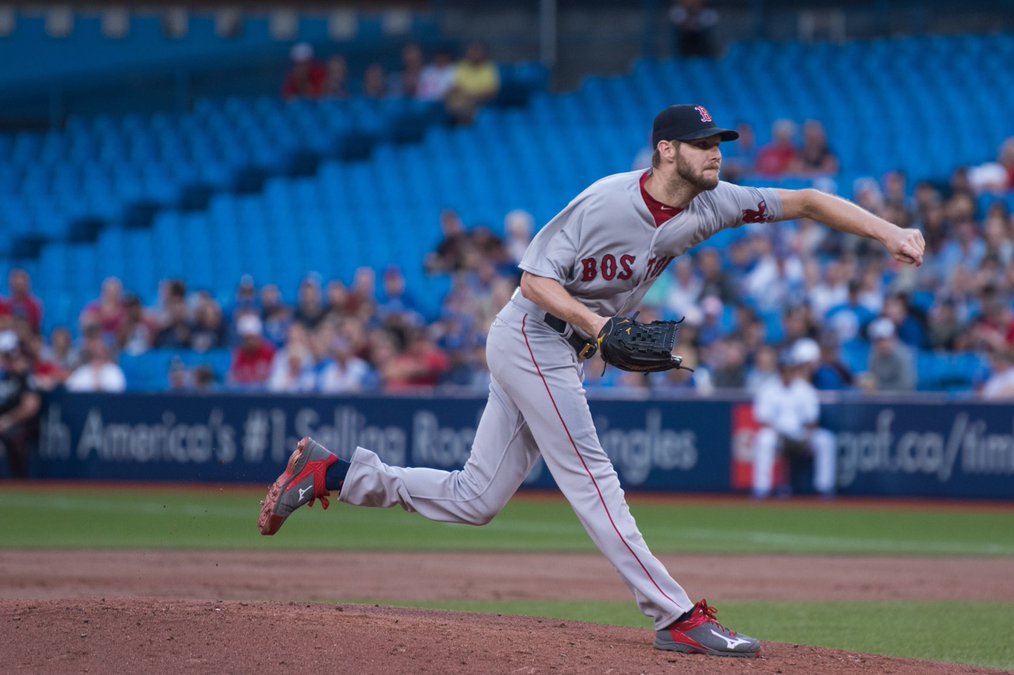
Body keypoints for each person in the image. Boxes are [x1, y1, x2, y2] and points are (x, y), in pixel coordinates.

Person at [257, 104, 924, 658]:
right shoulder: (606, 202)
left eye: (718, 142)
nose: (715, 153)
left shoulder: (715, 204)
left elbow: (805, 200)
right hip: (530, 334)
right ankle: (676, 614)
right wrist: (596, 325)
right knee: (592, 475)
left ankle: (333, 474)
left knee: (475, 497)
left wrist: (890, 230)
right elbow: (532, 279)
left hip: (564, 348)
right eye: (701, 144)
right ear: (666, 151)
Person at [750, 339, 836, 499]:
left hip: (801, 434)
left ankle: (824, 488)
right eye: (784, 369)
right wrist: (779, 434)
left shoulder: (805, 389)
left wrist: (806, 437)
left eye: (790, 369)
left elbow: (812, 420)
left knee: (826, 440)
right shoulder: (768, 388)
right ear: (780, 370)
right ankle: (761, 489)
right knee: (764, 439)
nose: (787, 373)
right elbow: (762, 419)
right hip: (777, 435)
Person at [0, 332, 41, 479]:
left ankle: (20, 479)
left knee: (12, 436)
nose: (7, 361)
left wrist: (7, 420)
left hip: (20, 424)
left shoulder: (25, 377)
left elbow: (30, 406)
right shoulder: (4, 377)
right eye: (5, 356)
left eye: (10, 356)